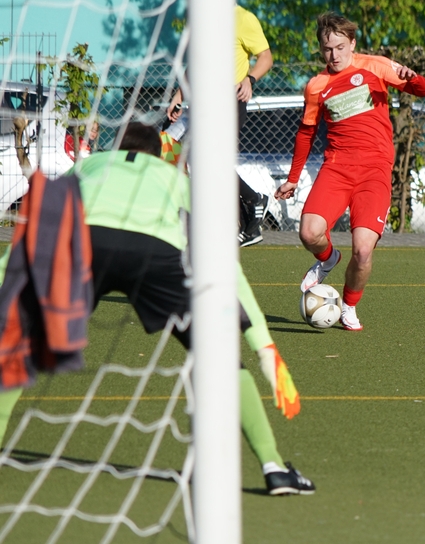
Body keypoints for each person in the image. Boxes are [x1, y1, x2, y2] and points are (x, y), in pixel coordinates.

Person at [0, 123, 314, 496]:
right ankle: (273, 467)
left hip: (85, 243)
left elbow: (40, 224)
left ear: (114, 149)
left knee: (20, 348)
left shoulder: (88, 166)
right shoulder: (173, 178)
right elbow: (221, 261)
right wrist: (264, 346)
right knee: (218, 358)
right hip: (154, 251)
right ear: (159, 155)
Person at [275, 13, 425, 331]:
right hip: (337, 167)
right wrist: (293, 178)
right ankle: (328, 258)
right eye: (327, 49)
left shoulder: (376, 66)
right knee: (309, 233)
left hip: (374, 170)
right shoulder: (316, 86)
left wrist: (412, 78)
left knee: (362, 251)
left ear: (352, 44)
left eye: (340, 47)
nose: (334, 55)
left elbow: (423, 91)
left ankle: (348, 306)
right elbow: (306, 133)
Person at [235, 0, 274, 247]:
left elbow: (266, 57)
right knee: (202, 164)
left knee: (212, 162)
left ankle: (254, 200)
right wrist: (178, 96)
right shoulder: (201, 18)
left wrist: (250, 79)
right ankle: (247, 221)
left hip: (230, 99)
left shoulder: (242, 18)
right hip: (203, 102)